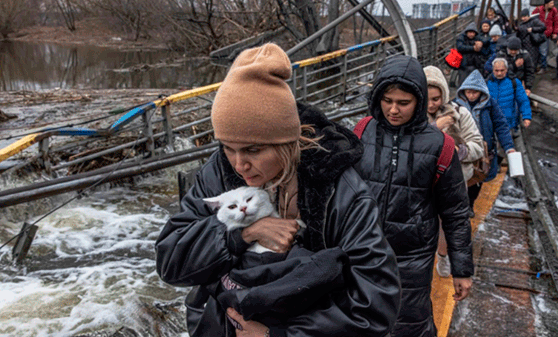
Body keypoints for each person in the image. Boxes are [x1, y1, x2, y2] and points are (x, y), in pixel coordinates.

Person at [155, 43, 402, 337]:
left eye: (253, 150)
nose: (239, 165)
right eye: (227, 147)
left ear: (286, 142)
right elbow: (170, 262)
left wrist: (279, 335)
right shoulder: (218, 171)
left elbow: (376, 305)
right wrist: (241, 234)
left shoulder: (341, 190)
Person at [354, 55, 474, 337]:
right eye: (387, 100)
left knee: (409, 324)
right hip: (362, 249)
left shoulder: (440, 146)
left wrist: (461, 269)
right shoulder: (362, 131)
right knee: (361, 320)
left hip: (412, 256)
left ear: (418, 101)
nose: (393, 110)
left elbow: (455, 212)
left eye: (403, 103)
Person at [424, 65, 485, 278]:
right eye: (427, 99)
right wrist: (435, 128)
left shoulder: (460, 114)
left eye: (436, 99)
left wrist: (459, 152)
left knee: (445, 222)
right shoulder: (411, 117)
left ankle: (442, 256)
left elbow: (477, 144)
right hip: (422, 182)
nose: (431, 105)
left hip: (453, 181)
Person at [453, 69, 516, 217]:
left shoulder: (490, 105)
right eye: (468, 92)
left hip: (482, 150)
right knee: (460, 178)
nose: (471, 95)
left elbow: (501, 125)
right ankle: (459, 205)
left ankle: (470, 204)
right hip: (462, 148)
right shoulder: (455, 105)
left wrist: (509, 147)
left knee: (477, 178)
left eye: (475, 92)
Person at [487, 58, 532, 131]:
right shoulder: (486, 83)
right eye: (496, 70)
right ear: (492, 70)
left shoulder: (514, 82)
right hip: (491, 123)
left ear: (506, 69)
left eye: (502, 70)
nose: (499, 73)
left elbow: (523, 100)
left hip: (508, 123)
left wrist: (526, 116)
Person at [532, 0, 558, 73]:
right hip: (538, 33)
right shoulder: (538, 9)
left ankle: (543, 67)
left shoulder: (554, 10)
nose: (553, 4)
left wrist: (555, 32)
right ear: (546, 4)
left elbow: (556, 22)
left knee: (543, 51)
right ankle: (536, 66)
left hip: (546, 34)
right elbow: (532, 18)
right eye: (551, 3)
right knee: (536, 50)